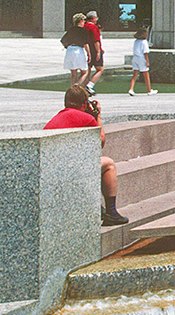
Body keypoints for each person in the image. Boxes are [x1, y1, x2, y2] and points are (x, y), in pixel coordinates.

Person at [43, 85, 129, 226]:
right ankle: (112, 212)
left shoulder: (56, 118)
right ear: (84, 104)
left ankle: (98, 208)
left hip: (52, 170)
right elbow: (100, 142)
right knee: (108, 164)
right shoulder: (85, 118)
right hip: (68, 171)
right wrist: (97, 117)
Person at [61, 13, 92, 87]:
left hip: (70, 50)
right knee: (84, 72)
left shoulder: (71, 30)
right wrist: (89, 54)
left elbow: (63, 40)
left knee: (73, 72)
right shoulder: (83, 31)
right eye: (84, 20)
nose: (84, 22)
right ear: (81, 21)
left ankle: (72, 88)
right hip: (78, 50)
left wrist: (67, 46)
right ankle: (76, 85)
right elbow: (85, 44)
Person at [128, 27, 158, 96]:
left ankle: (131, 89)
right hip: (141, 58)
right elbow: (145, 53)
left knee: (135, 74)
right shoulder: (144, 42)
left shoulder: (136, 41)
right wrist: (147, 62)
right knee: (146, 74)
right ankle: (149, 90)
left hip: (135, 58)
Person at [83, 10, 105, 95]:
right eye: (96, 17)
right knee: (100, 69)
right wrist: (98, 51)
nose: (97, 19)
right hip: (94, 50)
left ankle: (84, 88)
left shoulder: (84, 26)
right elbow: (96, 40)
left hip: (86, 50)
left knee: (87, 70)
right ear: (93, 18)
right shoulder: (94, 27)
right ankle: (90, 85)